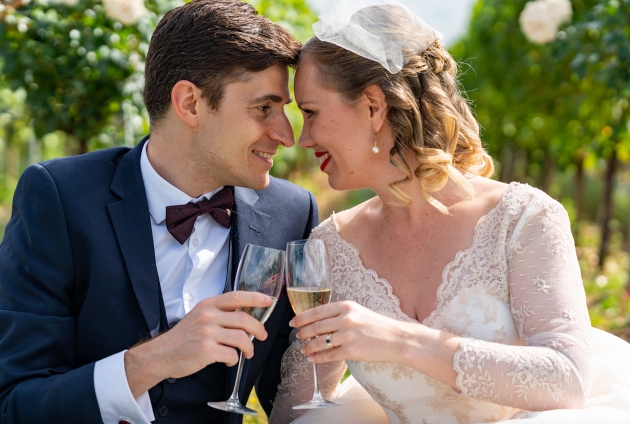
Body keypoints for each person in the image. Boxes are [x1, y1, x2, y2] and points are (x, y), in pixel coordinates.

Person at [268, 1, 630, 423]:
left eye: (311, 112)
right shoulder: (331, 246)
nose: (302, 138)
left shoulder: (522, 219)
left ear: (372, 106)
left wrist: (400, 340)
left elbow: (567, 382)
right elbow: (295, 411)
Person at [0, 1, 319, 423]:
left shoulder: (291, 212)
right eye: (264, 108)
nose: (286, 135)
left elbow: (294, 396)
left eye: (287, 111)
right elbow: (13, 403)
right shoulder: (60, 198)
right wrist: (152, 361)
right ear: (189, 103)